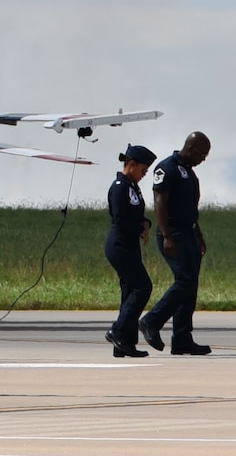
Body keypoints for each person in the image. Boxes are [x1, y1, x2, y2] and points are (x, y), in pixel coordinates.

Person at [141, 132, 212, 355]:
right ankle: (151, 321)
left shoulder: (189, 173)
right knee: (184, 281)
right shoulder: (167, 168)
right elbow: (160, 204)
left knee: (190, 287)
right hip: (173, 234)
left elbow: (191, 209)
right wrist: (167, 236)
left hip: (189, 234)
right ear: (190, 148)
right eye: (202, 154)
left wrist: (198, 235)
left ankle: (182, 337)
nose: (203, 159)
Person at [104, 144, 155, 358]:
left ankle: (125, 342)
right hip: (119, 245)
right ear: (131, 165)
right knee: (143, 287)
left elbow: (135, 214)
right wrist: (138, 227)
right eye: (143, 170)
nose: (144, 175)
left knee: (129, 291)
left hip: (130, 244)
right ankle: (117, 330)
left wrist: (145, 223)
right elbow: (120, 217)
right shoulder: (119, 186)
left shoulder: (132, 186)